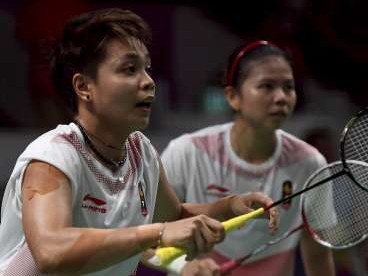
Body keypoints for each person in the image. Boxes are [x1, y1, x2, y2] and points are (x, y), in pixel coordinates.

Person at [0, 9, 278, 276]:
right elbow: (50, 251)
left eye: (147, 68)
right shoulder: (54, 158)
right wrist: (155, 233)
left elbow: (173, 217)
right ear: (84, 87)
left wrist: (230, 206)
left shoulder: (139, 152)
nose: (148, 82)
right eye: (129, 69)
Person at [161, 40, 336, 276]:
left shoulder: (309, 163)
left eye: (288, 87)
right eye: (266, 86)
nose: (281, 97)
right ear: (233, 96)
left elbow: (317, 252)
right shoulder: (187, 153)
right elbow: (152, 233)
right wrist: (184, 265)